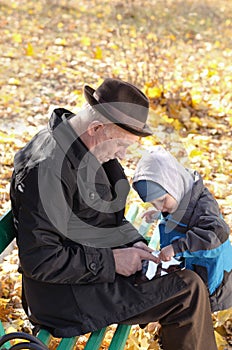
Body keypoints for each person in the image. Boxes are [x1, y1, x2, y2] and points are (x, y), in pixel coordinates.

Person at [10, 78, 217, 350]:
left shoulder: (82, 146)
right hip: (63, 296)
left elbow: (103, 218)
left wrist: (133, 242)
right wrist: (113, 261)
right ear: (96, 127)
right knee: (187, 291)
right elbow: (42, 260)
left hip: (87, 271)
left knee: (185, 278)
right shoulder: (47, 170)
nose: (122, 155)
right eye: (122, 146)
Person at [133, 145, 232, 312]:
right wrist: (160, 215)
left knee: (197, 312)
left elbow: (216, 234)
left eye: (162, 200)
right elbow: (183, 219)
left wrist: (177, 247)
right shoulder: (182, 195)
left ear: (173, 185)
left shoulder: (202, 206)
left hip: (213, 280)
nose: (160, 206)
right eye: (153, 203)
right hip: (193, 268)